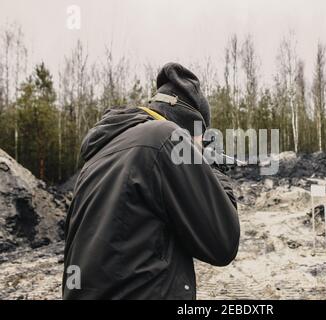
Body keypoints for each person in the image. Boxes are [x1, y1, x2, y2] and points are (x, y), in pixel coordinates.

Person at [62, 62, 240, 300]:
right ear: (189, 125)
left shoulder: (100, 154)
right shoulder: (165, 137)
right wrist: (215, 169)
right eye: (201, 136)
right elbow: (222, 242)